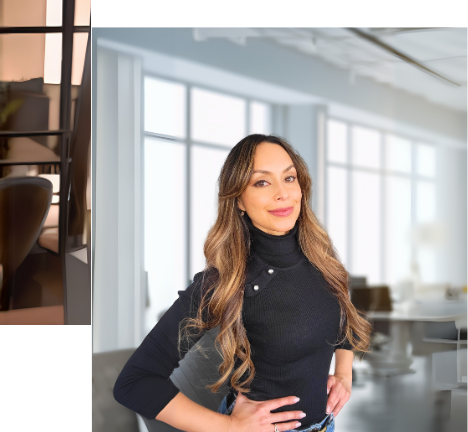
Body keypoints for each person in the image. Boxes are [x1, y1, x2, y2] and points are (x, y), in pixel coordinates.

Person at [113, 134, 372, 431]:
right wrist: (230, 427)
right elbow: (134, 382)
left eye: (289, 178)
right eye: (262, 182)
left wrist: (343, 373)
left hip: (326, 426)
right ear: (238, 200)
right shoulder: (225, 282)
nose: (282, 193)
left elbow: (340, 319)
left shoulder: (321, 258)